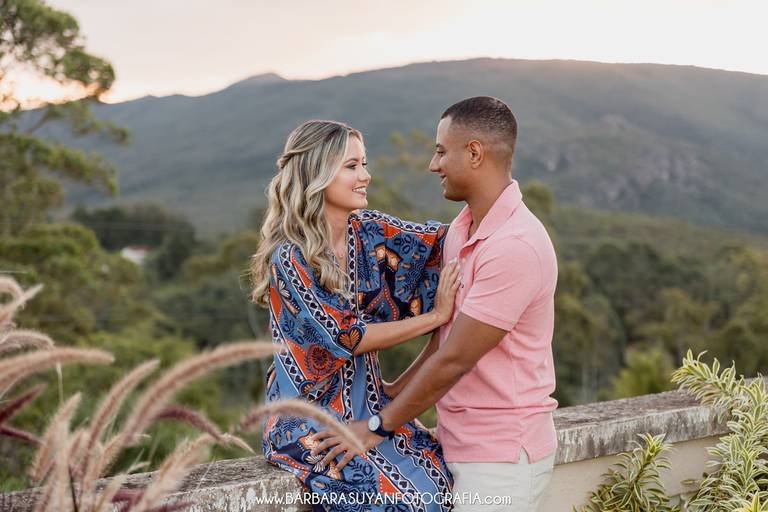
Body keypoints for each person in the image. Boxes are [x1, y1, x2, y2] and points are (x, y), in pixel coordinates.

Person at [313, 97, 559, 511]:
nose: (433, 164)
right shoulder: (462, 231)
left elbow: (455, 359)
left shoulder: (515, 246)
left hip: (502, 458)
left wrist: (376, 427)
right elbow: (444, 340)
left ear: (474, 153)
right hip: (456, 443)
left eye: (442, 151)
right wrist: (392, 392)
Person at [249, 120, 459, 511]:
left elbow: (439, 243)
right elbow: (346, 338)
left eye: (364, 164)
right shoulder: (290, 258)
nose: (366, 175)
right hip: (310, 424)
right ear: (317, 173)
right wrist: (436, 317)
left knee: (439, 481)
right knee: (393, 500)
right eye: (352, 166)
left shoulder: (367, 231)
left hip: (370, 407)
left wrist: (495, 219)